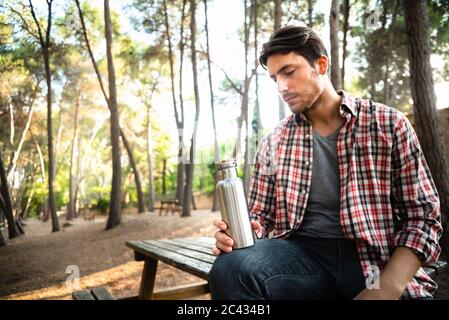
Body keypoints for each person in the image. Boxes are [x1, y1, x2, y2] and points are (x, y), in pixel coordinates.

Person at [208, 25, 442, 300]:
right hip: (300, 260)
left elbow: (424, 219)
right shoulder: (273, 141)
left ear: (320, 64)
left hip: (374, 263)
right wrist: (240, 233)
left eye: (289, 71)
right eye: (274, 78)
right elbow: (260, 216)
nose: (282, 86)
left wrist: (386, 289)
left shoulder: (388, 124)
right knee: (229, 268)